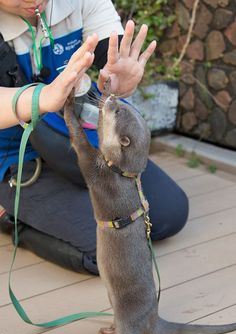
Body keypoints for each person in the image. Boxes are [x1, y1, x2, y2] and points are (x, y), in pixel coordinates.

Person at [0, 0, 189, 275]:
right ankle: (9, 219)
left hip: (75, 140)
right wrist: (41, 98)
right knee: (110, 252)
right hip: (17, 158)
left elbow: (111, 57)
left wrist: (119, 81)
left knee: (170, 214)